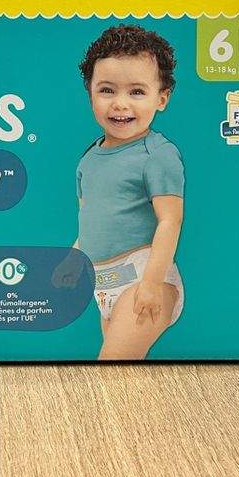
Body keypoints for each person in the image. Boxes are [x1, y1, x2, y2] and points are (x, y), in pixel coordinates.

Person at [74, 24, 185, 360]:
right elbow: (90, 219)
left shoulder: (157, 155)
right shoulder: (89, 158)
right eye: (107, 90)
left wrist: (151, 283)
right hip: (103, 283)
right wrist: (72, 259)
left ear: (161, 98)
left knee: (112, 362)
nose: (120, 104)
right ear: (90, 94)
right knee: (121, 371)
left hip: (143, 276)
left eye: (137, 92)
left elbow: (170, 221)